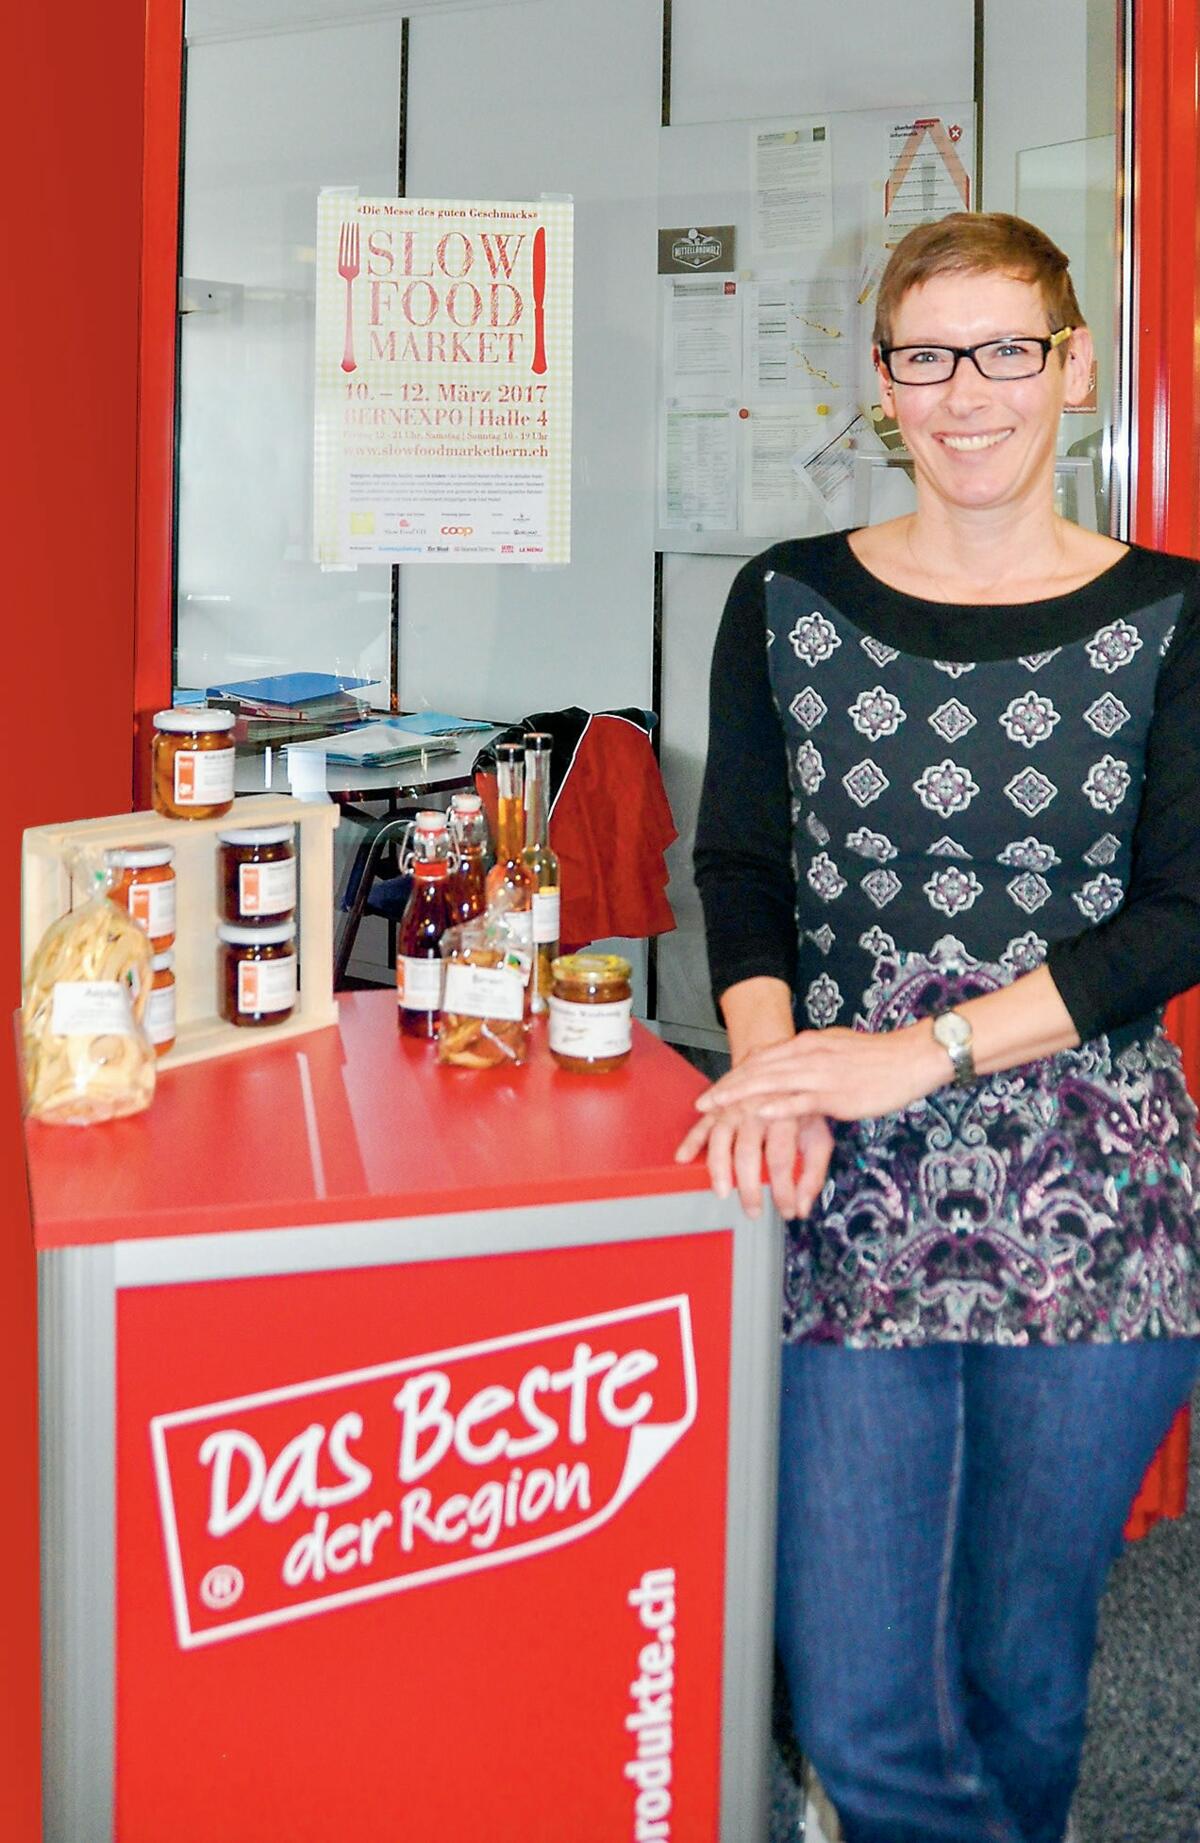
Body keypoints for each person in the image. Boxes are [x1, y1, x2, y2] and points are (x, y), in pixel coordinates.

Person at [677, 212, 1200, 1843]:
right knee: (858, 1699)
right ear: (882, 384)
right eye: (926, 356)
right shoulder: (786, 601)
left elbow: (1182, 913)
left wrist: (926, 1051)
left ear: (1075, 369)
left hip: (1096, 1184)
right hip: (847, 1184)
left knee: (1024, 1677)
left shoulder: (1177, 615)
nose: (967, 392)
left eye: (1006, 351)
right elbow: (744, 865)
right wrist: (771, 1069)